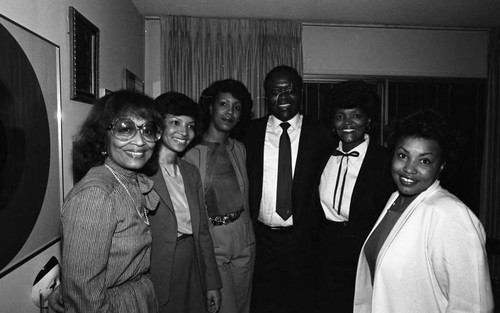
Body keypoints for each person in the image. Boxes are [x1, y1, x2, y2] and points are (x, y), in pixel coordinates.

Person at [353, 109, 494, 312]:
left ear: (442, 166)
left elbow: (474, 306)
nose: (409, 168)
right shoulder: (396, 199)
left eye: (424, 160)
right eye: (403, 155)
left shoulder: (449, 214)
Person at [59, 90, 163, 312]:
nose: (140, 141)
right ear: (103, 136)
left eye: (148, 130)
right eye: (125, 129)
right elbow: (83, 299)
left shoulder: (131, 180)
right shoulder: (96, 195)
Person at [243, 65, 333, 313]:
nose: (283, 97)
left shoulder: (323, 134)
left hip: (304, 241)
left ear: (300, 92)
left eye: (290, 90)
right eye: (275, 91)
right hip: (261, 240)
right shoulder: (248, 133)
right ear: (266, 97)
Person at [313, 81, 394, 313]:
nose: (347, 123)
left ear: (369, 120)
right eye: (340, 116)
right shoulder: (321, 155)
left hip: (363, 249)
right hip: (324, 249)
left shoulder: (385, 161)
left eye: (356, 115)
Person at [183, 79, 256, 313]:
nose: (230, 112)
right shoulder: (189, 154)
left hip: (244, 237)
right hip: (213, 242)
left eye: (236, 107)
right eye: (223, 104)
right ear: (211, 107)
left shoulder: (239, 148)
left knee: (244, 307)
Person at [149, 92, 222, 313]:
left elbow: (203, 232)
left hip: (194, 264)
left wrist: (212, 283)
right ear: (158, 125)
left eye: (190, 125)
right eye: (175, 122)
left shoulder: (190, 172)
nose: (184, 132)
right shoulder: (142, 174)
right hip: (159, 269)